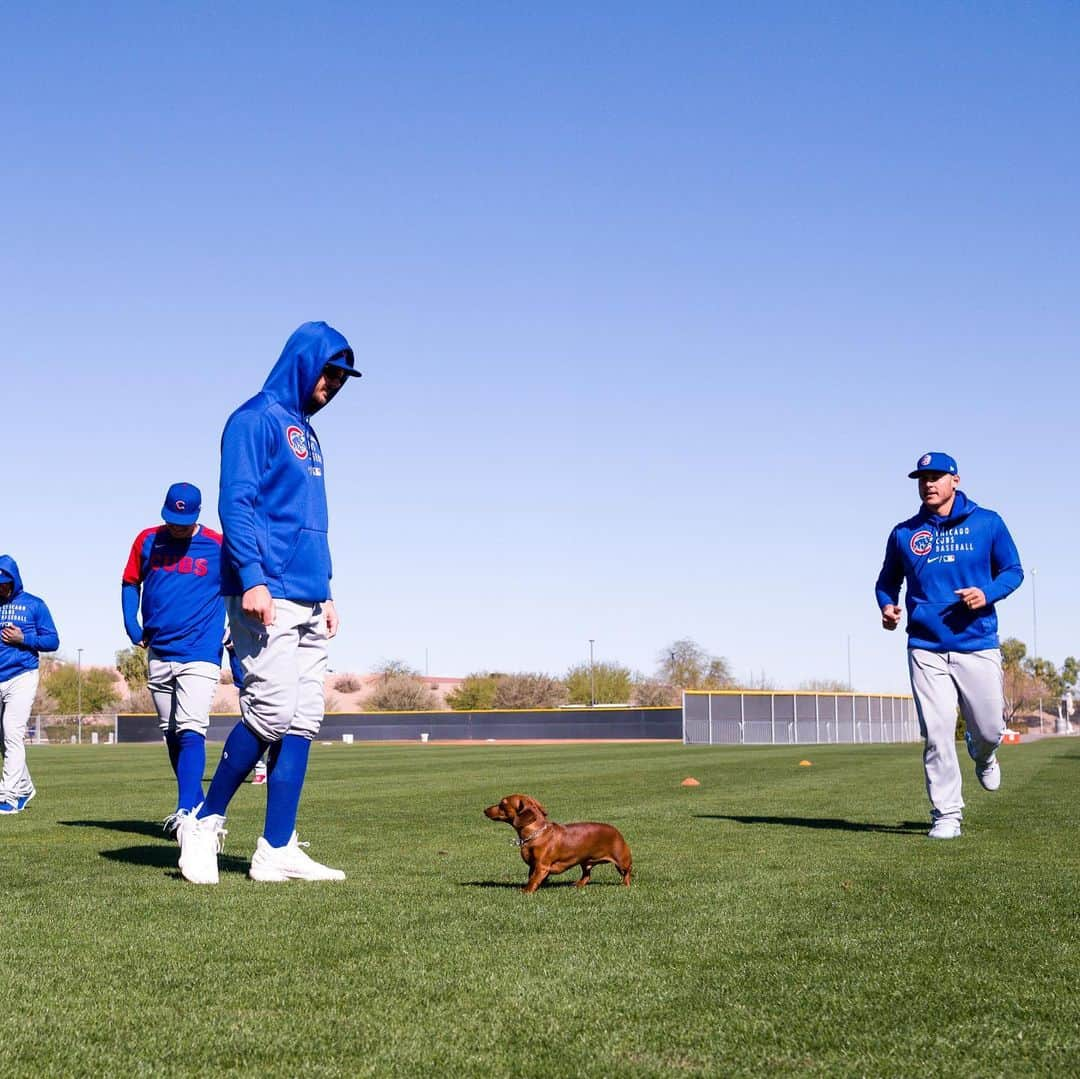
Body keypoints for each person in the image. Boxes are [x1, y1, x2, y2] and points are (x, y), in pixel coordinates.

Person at [178, 321, 360, 883]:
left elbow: (311, 521)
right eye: (328, 373)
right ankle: (203, 825)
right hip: (267, 593)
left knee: (304, 720)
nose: (332, 386)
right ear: (303, 363)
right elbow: (238, 502)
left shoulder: (307, 433)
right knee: (272, 712)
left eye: (340, 379)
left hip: (308, 596)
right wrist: (253, 578)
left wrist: (326, 588)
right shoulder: (252, 419)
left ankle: (276, 848)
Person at [875, 452, 1023, 840]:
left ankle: (985, 752)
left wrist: (986, 594)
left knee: (990, 729)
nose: (928, 483)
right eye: (922, 478)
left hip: (977, 643)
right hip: (925, 645)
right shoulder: (904, 533)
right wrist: (888, 608)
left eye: (936, 476)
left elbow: (1014, 571)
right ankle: (946, 814)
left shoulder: (987, 523)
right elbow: (887, 583)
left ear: (955, 480)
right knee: (937, 730)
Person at [122, 482, 225, 837]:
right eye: (172, 518)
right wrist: (131, 624)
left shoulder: (217, 545)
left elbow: (242, 588)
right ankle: (195, 804)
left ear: (198, 514)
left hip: (200, 650)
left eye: (184, 519)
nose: (177, 525)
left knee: (191, 727)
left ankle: (185, 810)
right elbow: (129, 581)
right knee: (171, 733)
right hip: (159, 650)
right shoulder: (147, 540)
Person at [0, 555, 59, 813]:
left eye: (4, 582)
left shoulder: (35, 605)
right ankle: (24, 787)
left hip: (22, 675)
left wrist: (23, 637)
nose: (1, 587)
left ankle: (9, 796)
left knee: (12, 732)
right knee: (3, 739)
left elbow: (53, 641)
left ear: (14, 580)